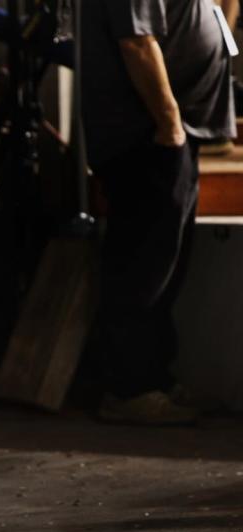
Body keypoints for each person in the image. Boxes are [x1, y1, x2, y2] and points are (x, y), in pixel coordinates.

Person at [81, 0, 235, 425]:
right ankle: (128, 389)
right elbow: (136, 42)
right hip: (147, 134)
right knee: (142, 264)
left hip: (177, 131)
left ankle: (154, 379)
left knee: (167, 262)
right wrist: (169, 124)